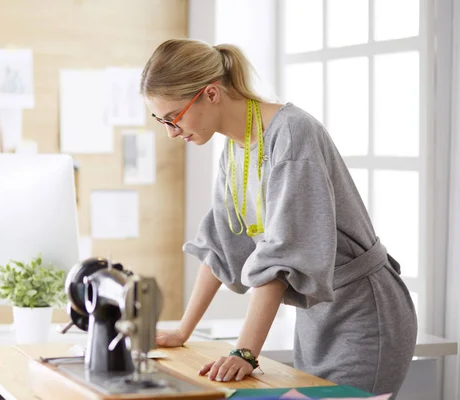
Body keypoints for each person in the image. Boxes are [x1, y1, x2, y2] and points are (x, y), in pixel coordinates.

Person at [140, 38, 417, 398]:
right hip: (316, 318)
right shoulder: (235, 149)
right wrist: (182, 331)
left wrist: (245, 351)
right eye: (161, 120)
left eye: (173, 117)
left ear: (210, 94)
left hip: (362, 315)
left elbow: (283, 254)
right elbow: (220, 244)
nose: (170, 132)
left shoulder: (292, 134)